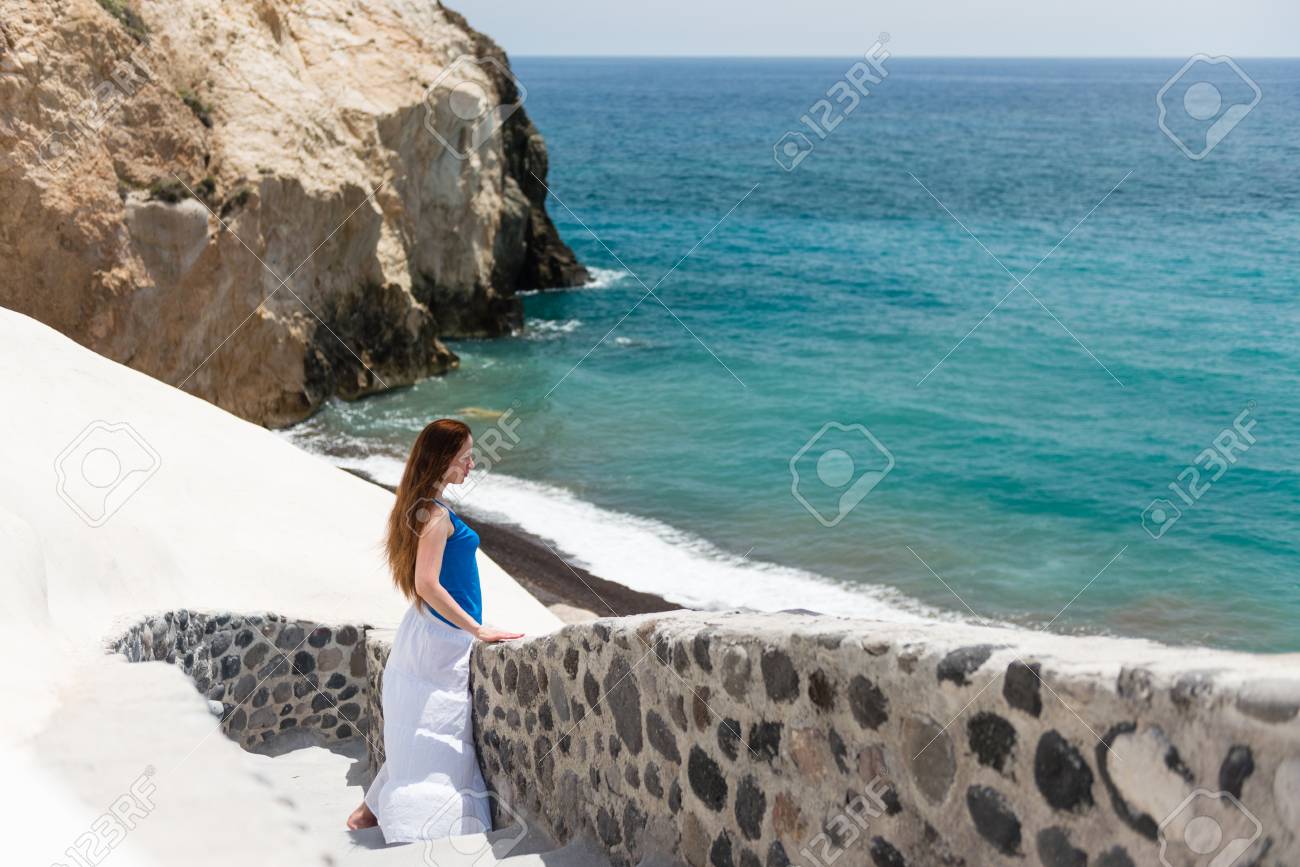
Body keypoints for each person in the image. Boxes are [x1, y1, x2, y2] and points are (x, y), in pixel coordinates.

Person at [346, 419, 523, 839]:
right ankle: (407, 823)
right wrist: (478, 630)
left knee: (424, 731)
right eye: (464, 458)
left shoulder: (423, 505)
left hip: (429, 636)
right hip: (440, 640)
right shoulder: (436, 515)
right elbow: (427, 583)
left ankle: (370, 810)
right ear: (443, 460)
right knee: (436, 733)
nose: (471, 465)